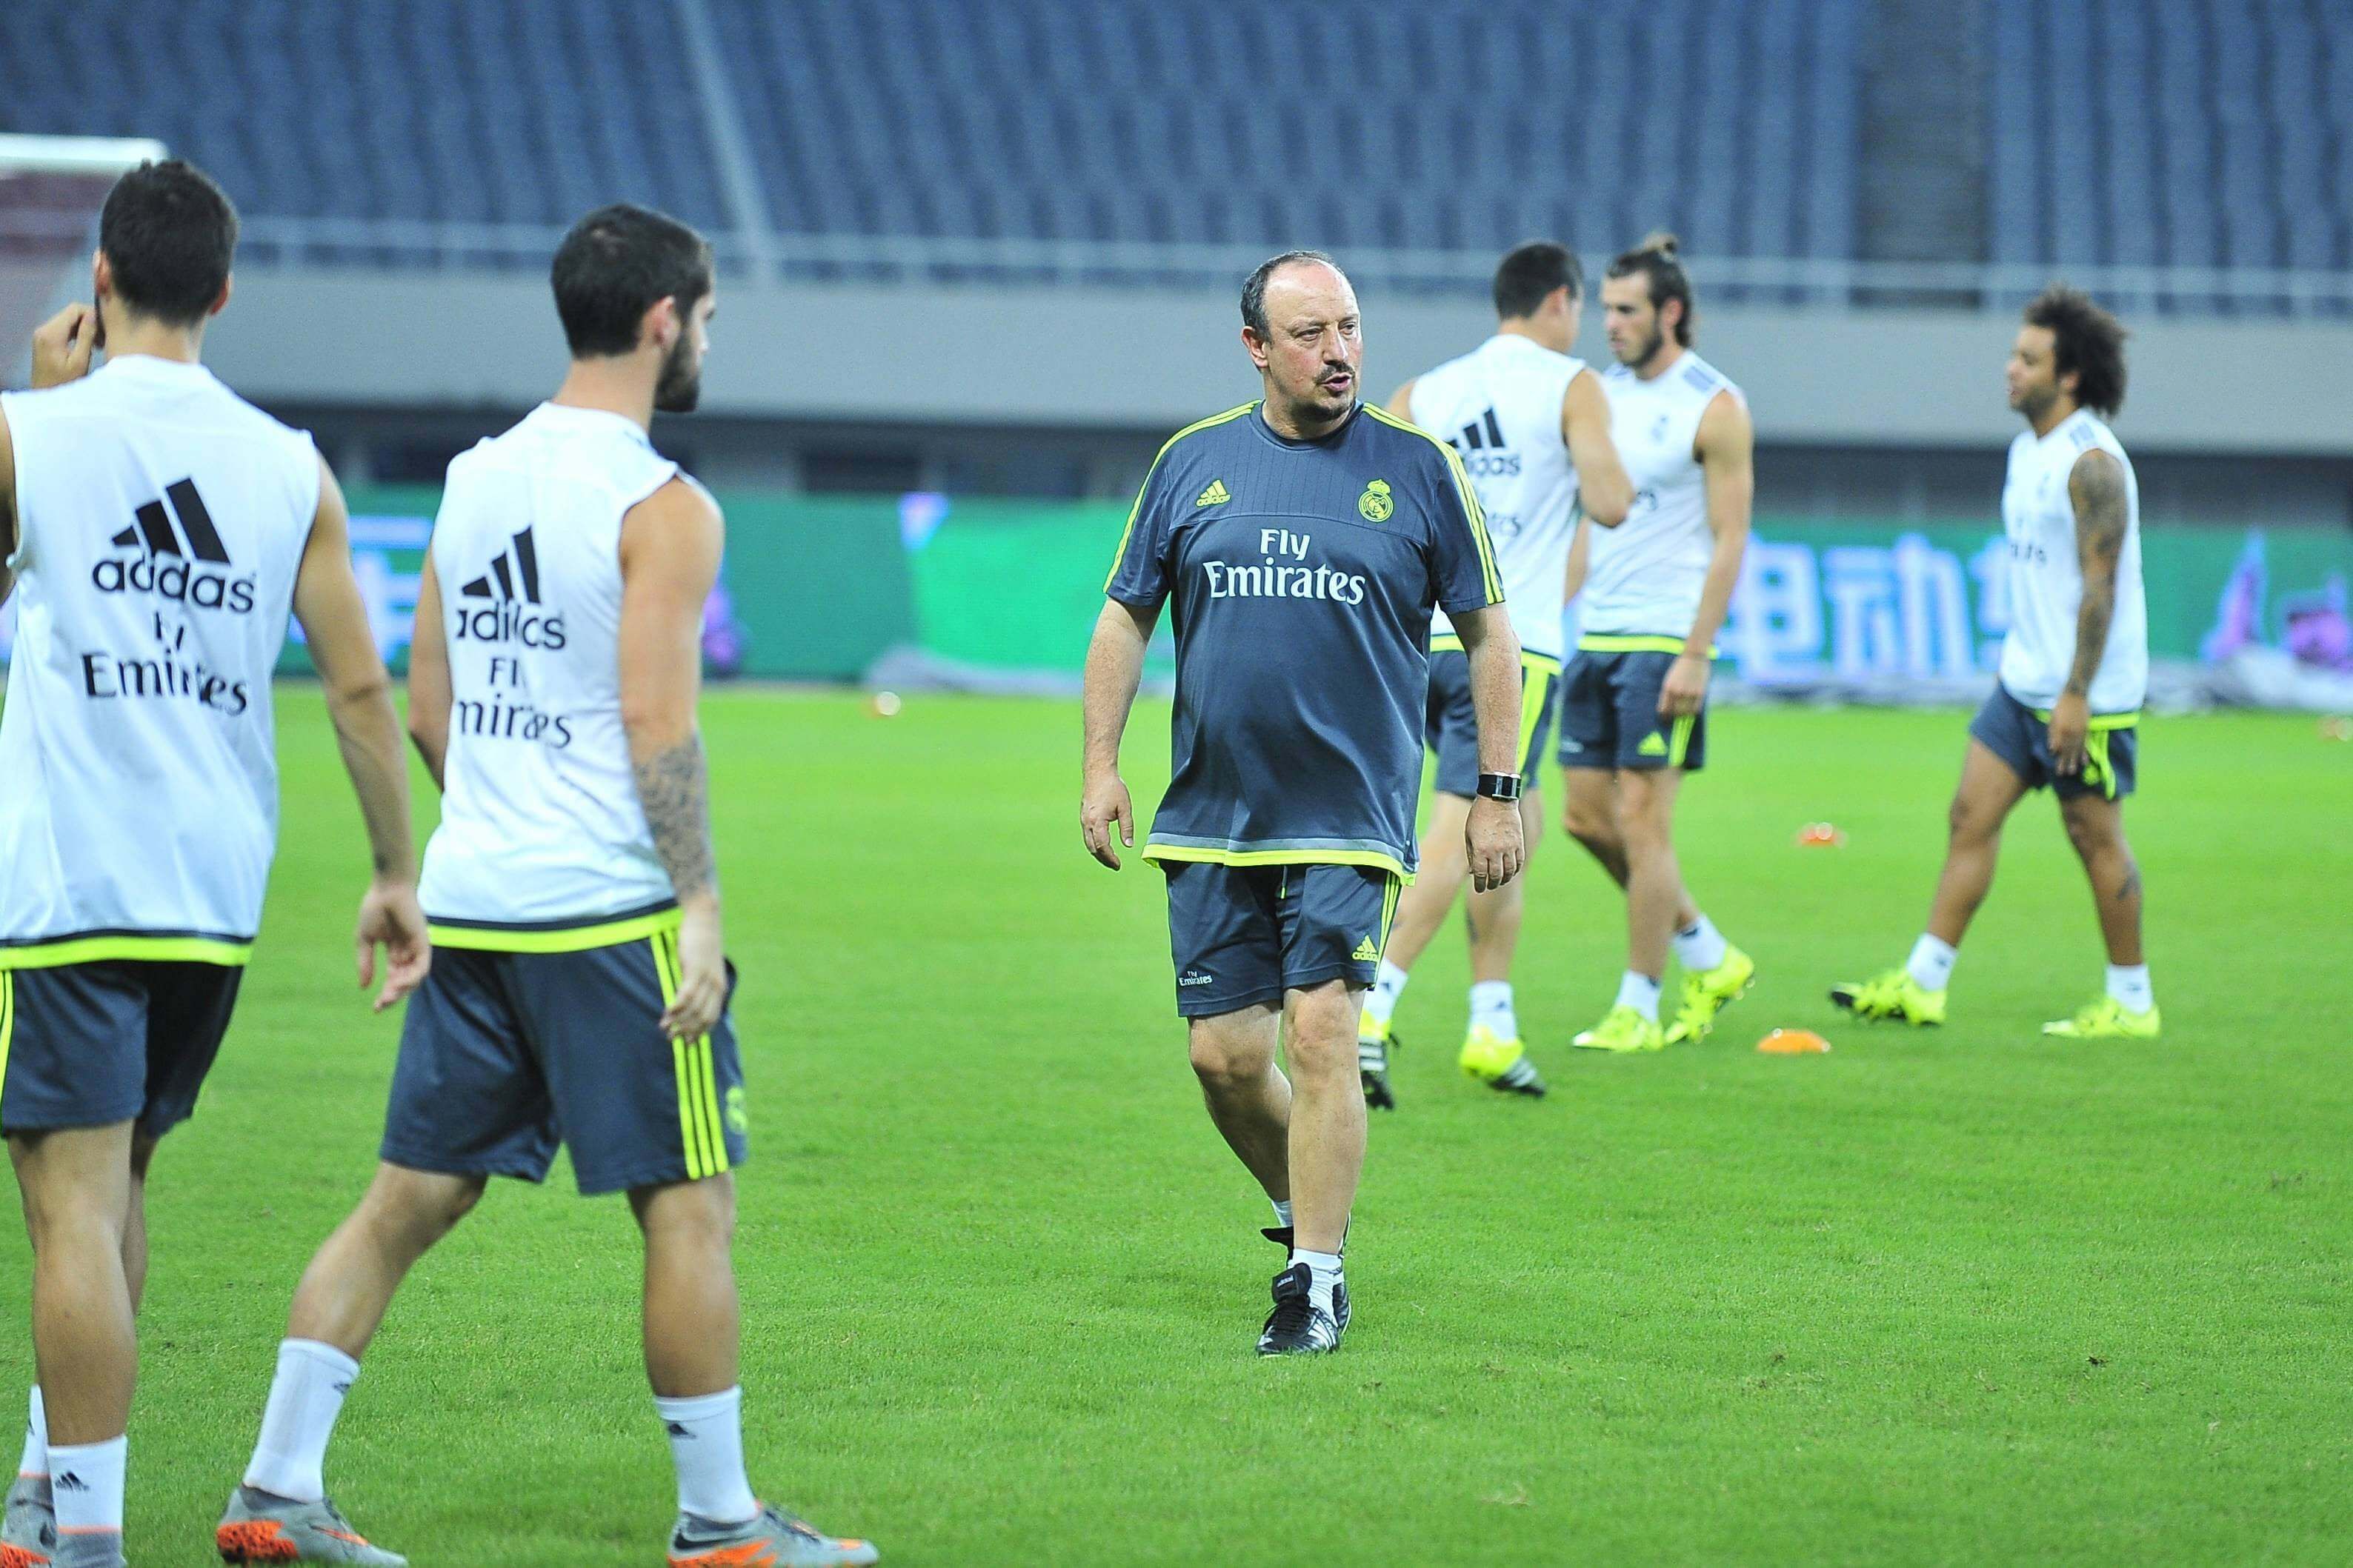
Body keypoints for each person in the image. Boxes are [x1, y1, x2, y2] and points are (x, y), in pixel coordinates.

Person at [214, 206, 877, 1568]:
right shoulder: (664, 505)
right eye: (705, 314)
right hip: (604, 918)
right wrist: (697, 903)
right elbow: (655, 724)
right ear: (661, 321)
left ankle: (275, 1487)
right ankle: (719, 1525)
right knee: (691, 1205)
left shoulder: (473, 476)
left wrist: (504, 823)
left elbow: (426, 696)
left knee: (406, 1198)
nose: (706, 336)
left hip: (479, 899)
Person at [0, 160, 425, 1568]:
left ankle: (85, 1538)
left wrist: (43, 403)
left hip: (68, 886)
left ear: (100, 280)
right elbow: (362, 693)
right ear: (226, 294)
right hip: (210, 896)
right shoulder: (284, 461)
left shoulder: (29, 429)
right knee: (118, 1187)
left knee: (70, 1211)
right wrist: (393, 872)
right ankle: (47, 1496)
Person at [1080, 250, 1526, 1356]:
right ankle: (1305, 1215)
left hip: (1351, 810)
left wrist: (1496, 794)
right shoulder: (1193, 464)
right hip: (1213, 813)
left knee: (1323, 1028)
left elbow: (1491, 635)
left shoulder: (1418, 469)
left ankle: (1314, 1282)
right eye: (1312, 333)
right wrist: (1101, 764)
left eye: (1351, 328)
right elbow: (1125, 619)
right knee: (1223, 1060)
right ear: (1258, 348)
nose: (1339, 352)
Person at [1833, 286, 2154, 1038]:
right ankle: (1922, 983)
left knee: (2092, 837)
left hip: (2085, 695)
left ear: (2068, 375)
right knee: (1967, 816)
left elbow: (2098, 588)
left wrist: (2075, 694)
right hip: (2020, 681)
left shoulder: (2091, 465)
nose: (2009, 368)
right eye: (2013, 354)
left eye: (2026, 358)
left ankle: (2131, 1000)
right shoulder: (2025, 450)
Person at [1358, 241, 1632, 1106]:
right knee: (1465, 828)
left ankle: (1491, 1022)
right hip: (1506, 648)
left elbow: (1374, 506)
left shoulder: (1424, 392)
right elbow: (1613, 500)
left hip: (1417, 641)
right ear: (1559, 301)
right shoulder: (1570, 384)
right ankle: (1372, 1004)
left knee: (1521, 827)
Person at [1557, 235, 1757, 1055]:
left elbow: (1730, 536)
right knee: (1581, 817)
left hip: (1662, 639)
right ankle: (1706, 951)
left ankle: (1637, 1004)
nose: (1608, 323)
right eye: (1603, 308)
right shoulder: (1596, 395)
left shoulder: (1715, 404)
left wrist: (1696, 652)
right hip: (1595, 636)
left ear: (1669, 312)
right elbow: (1580, 523)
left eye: (1626, 309)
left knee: (1642, 822)